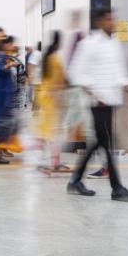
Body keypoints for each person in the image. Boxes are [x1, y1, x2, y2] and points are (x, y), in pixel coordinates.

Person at [67, 7, 128, 202]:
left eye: (113, 19)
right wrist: (92, 93)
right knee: (106, 142)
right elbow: (75, 72)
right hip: (97, 101)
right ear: (99, 22)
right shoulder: (89, 44)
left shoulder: (114, 43)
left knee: (100, 142)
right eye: (109, 19)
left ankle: (74, 181)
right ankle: (117, 188)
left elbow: (119, 71)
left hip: (112, 100)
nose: (113, 22)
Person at [34, 32, 71, 175]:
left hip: (44, 97)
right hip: (52, 100)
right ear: (58, 43)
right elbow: (62, 80)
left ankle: (47, 163)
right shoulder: (54, 59)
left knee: (46, 132)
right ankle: (49, 163)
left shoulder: (46, 58)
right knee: (54, 133)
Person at [0, 36, 21, 164]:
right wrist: (7, 67)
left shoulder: (3, 56)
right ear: (4, 45)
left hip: (1, 96)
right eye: (9, 44)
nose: (12, 46)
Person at [26, 43, 42, 108]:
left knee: (37, 100)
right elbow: (31, 66)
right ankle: (36, 114)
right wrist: (30, 78)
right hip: (37, 80)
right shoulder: (37, 54)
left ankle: (36, 114)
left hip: (39, 80)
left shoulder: (38, 53)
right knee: (36, 101)